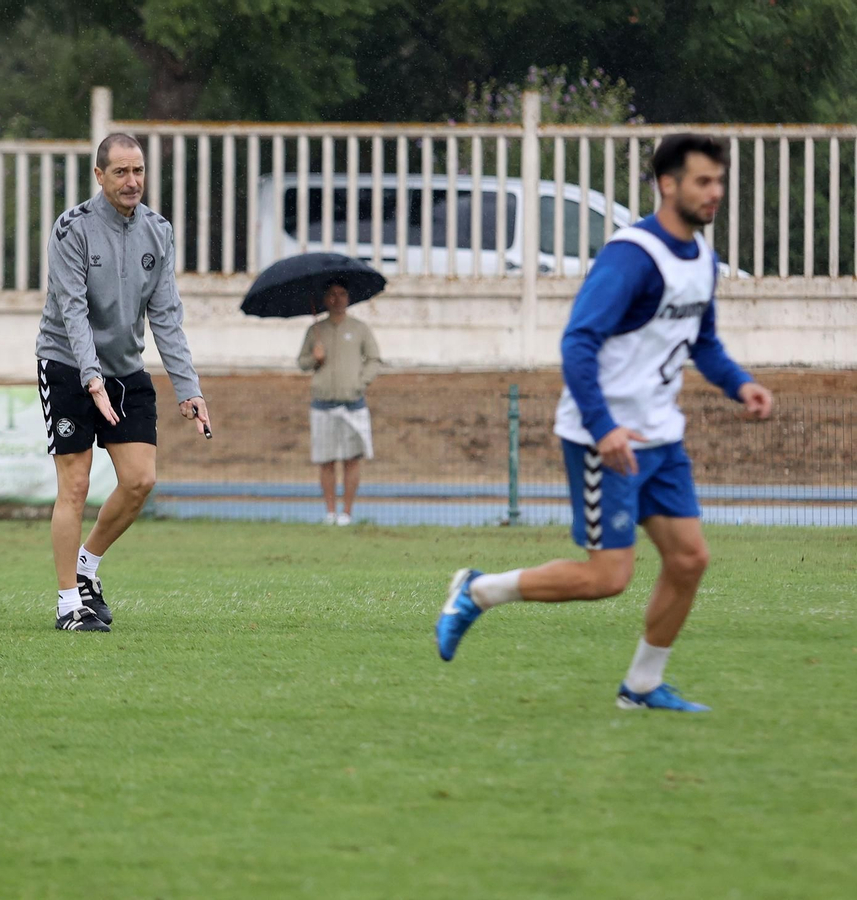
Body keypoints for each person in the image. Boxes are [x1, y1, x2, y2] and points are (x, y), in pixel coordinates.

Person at [435, 134, 773, 712]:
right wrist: (604, 427)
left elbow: (703, 342)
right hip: (605, 440)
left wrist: (740, 383)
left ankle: (641, 688)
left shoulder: (702, 259)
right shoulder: (631, 256)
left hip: (660, 437)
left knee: (689, 559)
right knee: (607, 577)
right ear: (667, 184)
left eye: (719, 181)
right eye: (703, 181)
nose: (715, 192)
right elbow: (578, 341)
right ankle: (478, 590)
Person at [36, 133, 210, 632]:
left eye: (138, 171)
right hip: (67, 366)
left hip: (126, 371)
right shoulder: (72, 229)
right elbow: (72, 309)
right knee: (75, 485)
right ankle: (68, 604)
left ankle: (87, 566)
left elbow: (166, 315)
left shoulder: (158, 230)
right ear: (99, 176)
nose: (132, 181)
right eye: (121, 172)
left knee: (140, 481)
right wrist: (90, 377)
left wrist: (189, 388)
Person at [296, 282, 382, 525]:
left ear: (348, 297)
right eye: (332, 295)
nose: (337, 299)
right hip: (323, 404)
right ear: (325, 298)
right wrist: (315, 358)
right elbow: (302, 362)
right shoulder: (316, 330)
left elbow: (374, 359)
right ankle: (330, 511)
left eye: (342, 294)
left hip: (352, 402)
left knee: (352, 459)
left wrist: (360, 383)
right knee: (326, 460)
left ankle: (347, 512)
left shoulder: (359, 329)